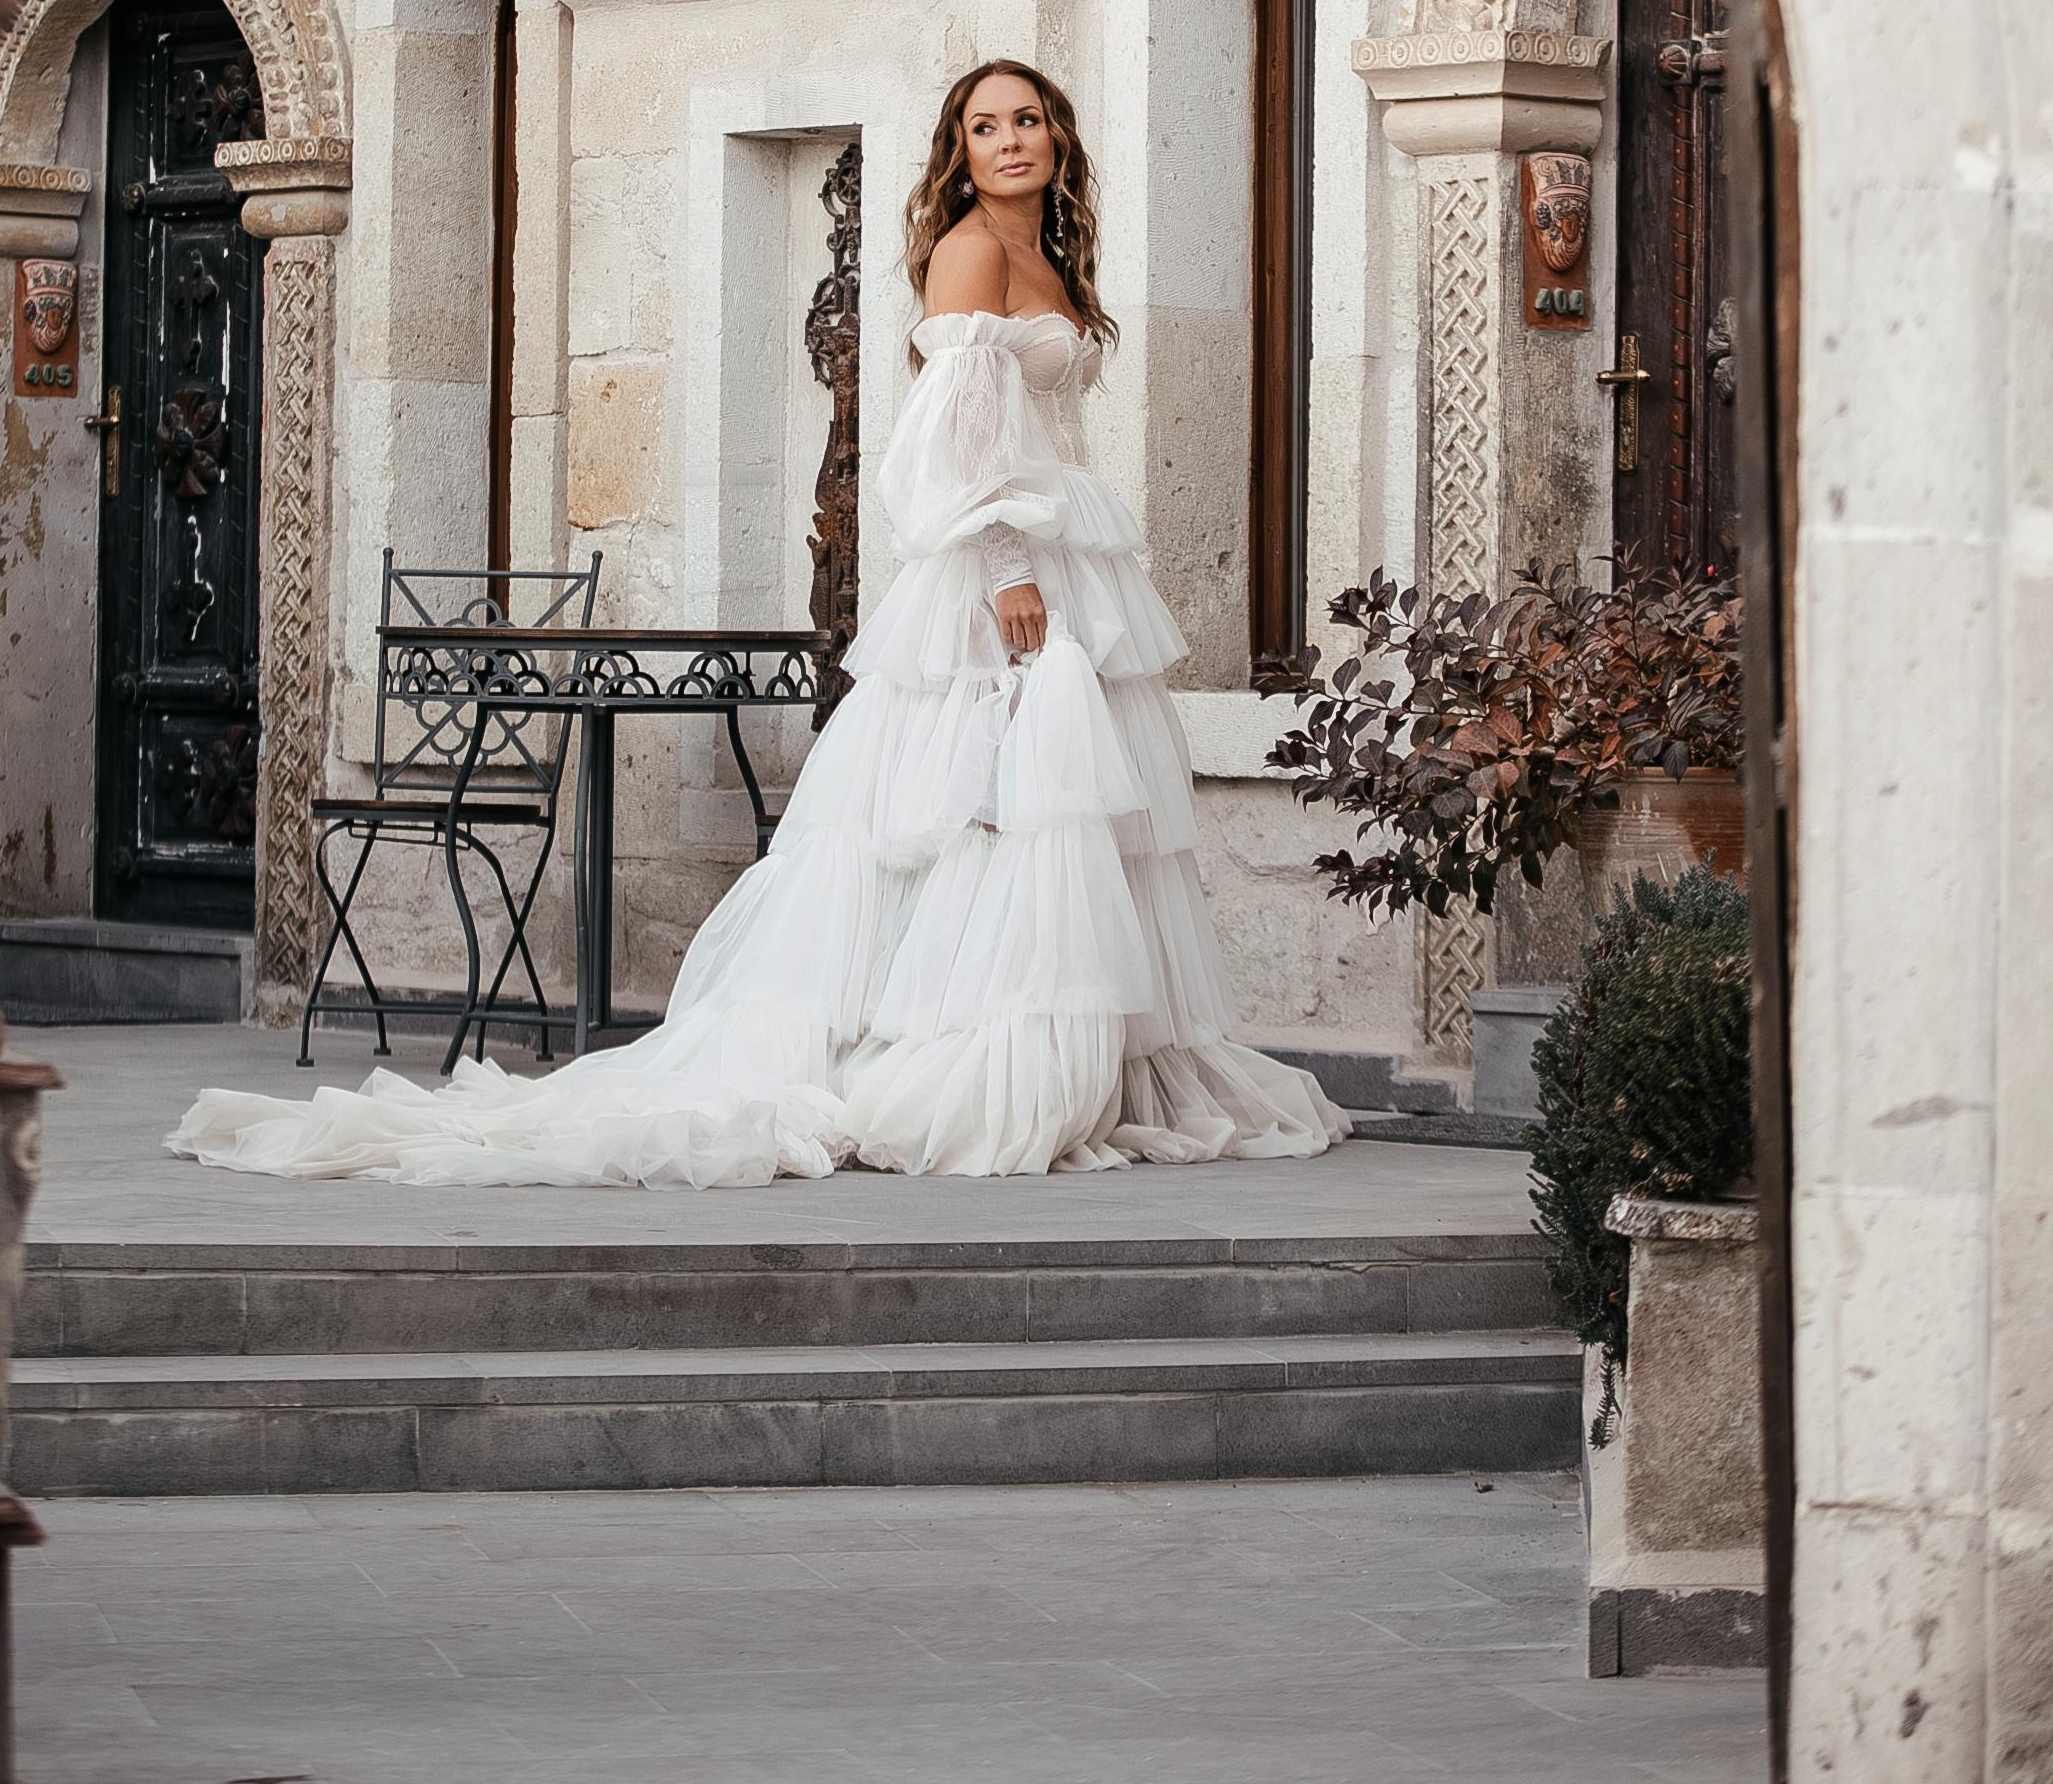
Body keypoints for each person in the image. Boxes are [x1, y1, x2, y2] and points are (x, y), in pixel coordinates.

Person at [169, 63, 1349, 1189]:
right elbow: (949, 444)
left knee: (1036, 814)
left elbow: (1035, 428)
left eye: (1027, 120)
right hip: (997, 569)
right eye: (985, 127)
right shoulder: (970, 250)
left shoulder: (1046, 254)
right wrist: (1004, 570)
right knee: (987, 810)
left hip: (1060, 556)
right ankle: (974, 1062)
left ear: (1057, 137)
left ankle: (1056, 1057)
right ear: (958, 152)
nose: (1009, 142)